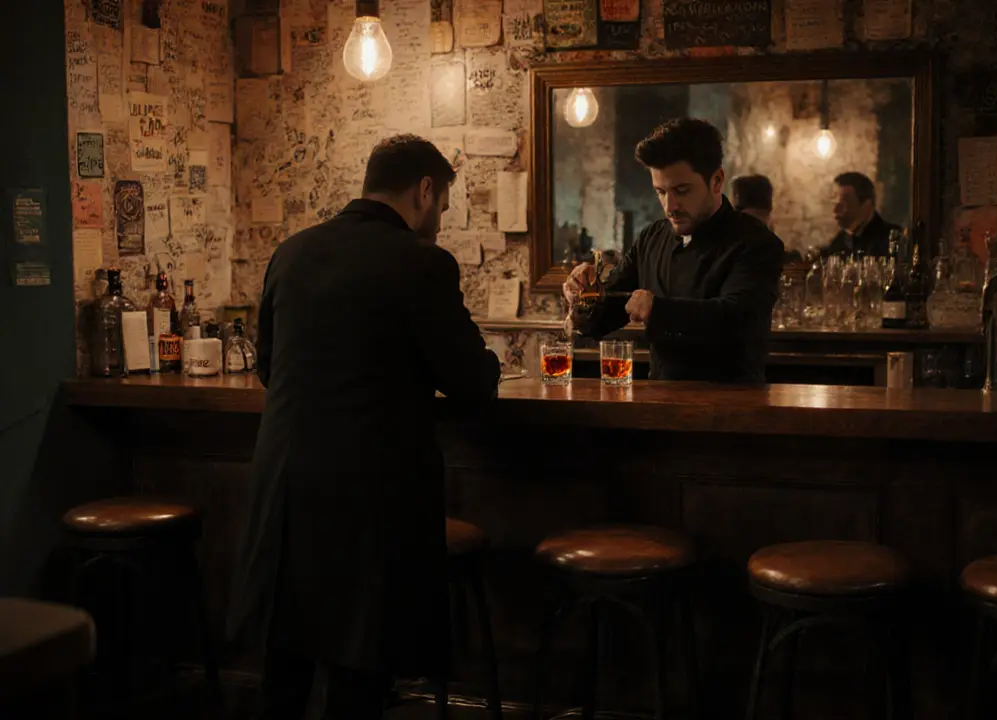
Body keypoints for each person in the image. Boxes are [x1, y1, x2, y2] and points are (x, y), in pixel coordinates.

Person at [227, 135, 500, 720]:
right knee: (360, 671)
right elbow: (472, 381)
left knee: (286, 667)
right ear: (425, 190)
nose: (440, 220)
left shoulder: (291, 251)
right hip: (370, 500)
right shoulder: (422, 263)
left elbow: (270, 368)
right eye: (444, 205)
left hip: (286, 489)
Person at [563, 118, 785, 383]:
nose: (670, 206)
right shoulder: (652, 238)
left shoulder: (757, 242)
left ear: (716, 180)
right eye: (661, 192)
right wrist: (583, 296)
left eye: (682, 191)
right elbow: (605, 314)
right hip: (659, 404)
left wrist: (658, 310)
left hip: (731, 408)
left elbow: (737, 318)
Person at [820, 171, 901, 258]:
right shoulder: (837, 244)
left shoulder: (893, 239)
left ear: (866, 205)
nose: (835, 210)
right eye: (834, 204)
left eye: (842, 205)